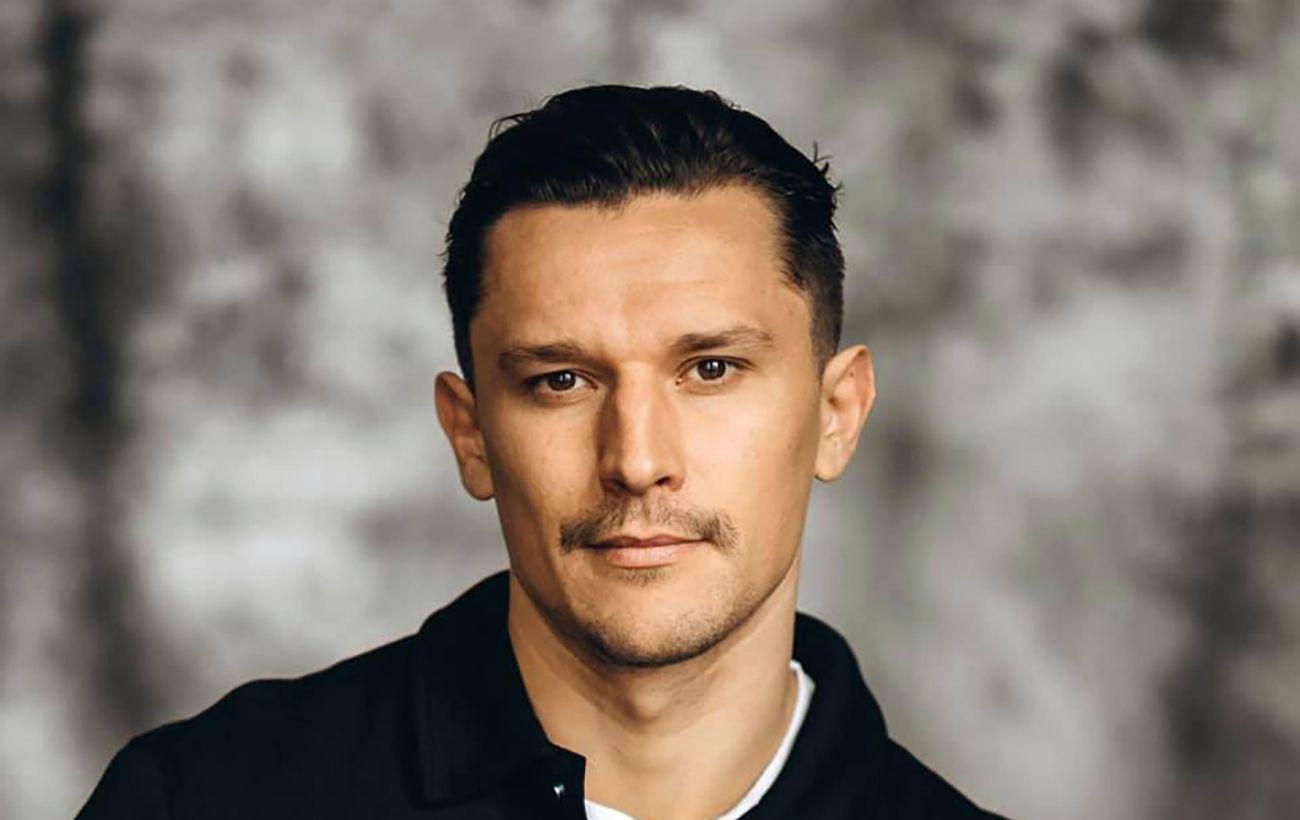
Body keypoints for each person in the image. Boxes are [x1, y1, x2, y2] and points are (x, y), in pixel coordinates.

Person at [78, 84, 1002, 819]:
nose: (636, 459)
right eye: (562, 381)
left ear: (837, 415)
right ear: (471, 434)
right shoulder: (205, 799)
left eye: (710, 369)